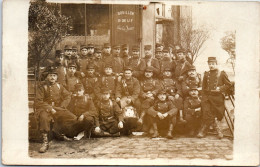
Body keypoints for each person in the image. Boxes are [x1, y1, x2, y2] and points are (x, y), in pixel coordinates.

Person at [35, 67, 76, 153]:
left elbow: (68, 96)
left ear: (57, 77)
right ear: (47, 77)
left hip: (57, 108)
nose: (52, 78)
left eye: (54, 76)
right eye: (50, 76)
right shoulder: (42, 87)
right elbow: (38, 101)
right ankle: (45, 143)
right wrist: (50, 109)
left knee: (72, 117)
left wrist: (63, 106)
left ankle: (59, 133)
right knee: (44, 118)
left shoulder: (59, 86)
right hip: (44, 109)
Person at [197, 57, 232, 139]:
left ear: (216, 64)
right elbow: (203, 87)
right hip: (207, 97)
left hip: (217, 97)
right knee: (206, 110)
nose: (211, 65)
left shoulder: (222, 73)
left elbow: (228, 84)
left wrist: (220, 88)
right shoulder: (206, 74)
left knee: (213, 111)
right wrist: (203, 97)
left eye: (213, 64)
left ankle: (205, 129)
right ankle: (217, 129)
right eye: (209, 64)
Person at [115, 66, 141, 135]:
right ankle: (121, 124)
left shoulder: (135, 80)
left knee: (138, 104)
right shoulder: (121, 81)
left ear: (131, 73)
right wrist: (118, 96)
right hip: (124, 97)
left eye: (129, 73)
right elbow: (118, 90)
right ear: (124, 73)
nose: (127, 75)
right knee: (118, 105)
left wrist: (132, 99)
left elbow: (137, 91)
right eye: (126, 73)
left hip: (133, 97)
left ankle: (137, 123)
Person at [138, 67, 161, 133]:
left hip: (153, 98)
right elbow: (139, 90)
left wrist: (152, 93)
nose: (148, 74)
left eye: (149, 72)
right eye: (146, 72)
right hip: (143, 97)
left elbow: (158, 89)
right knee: (142, 104)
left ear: (152, 74)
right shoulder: (141, 81)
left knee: (147, 102)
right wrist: (145, 95)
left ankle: (142, 119)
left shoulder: (155, 81)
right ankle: (145, 126)